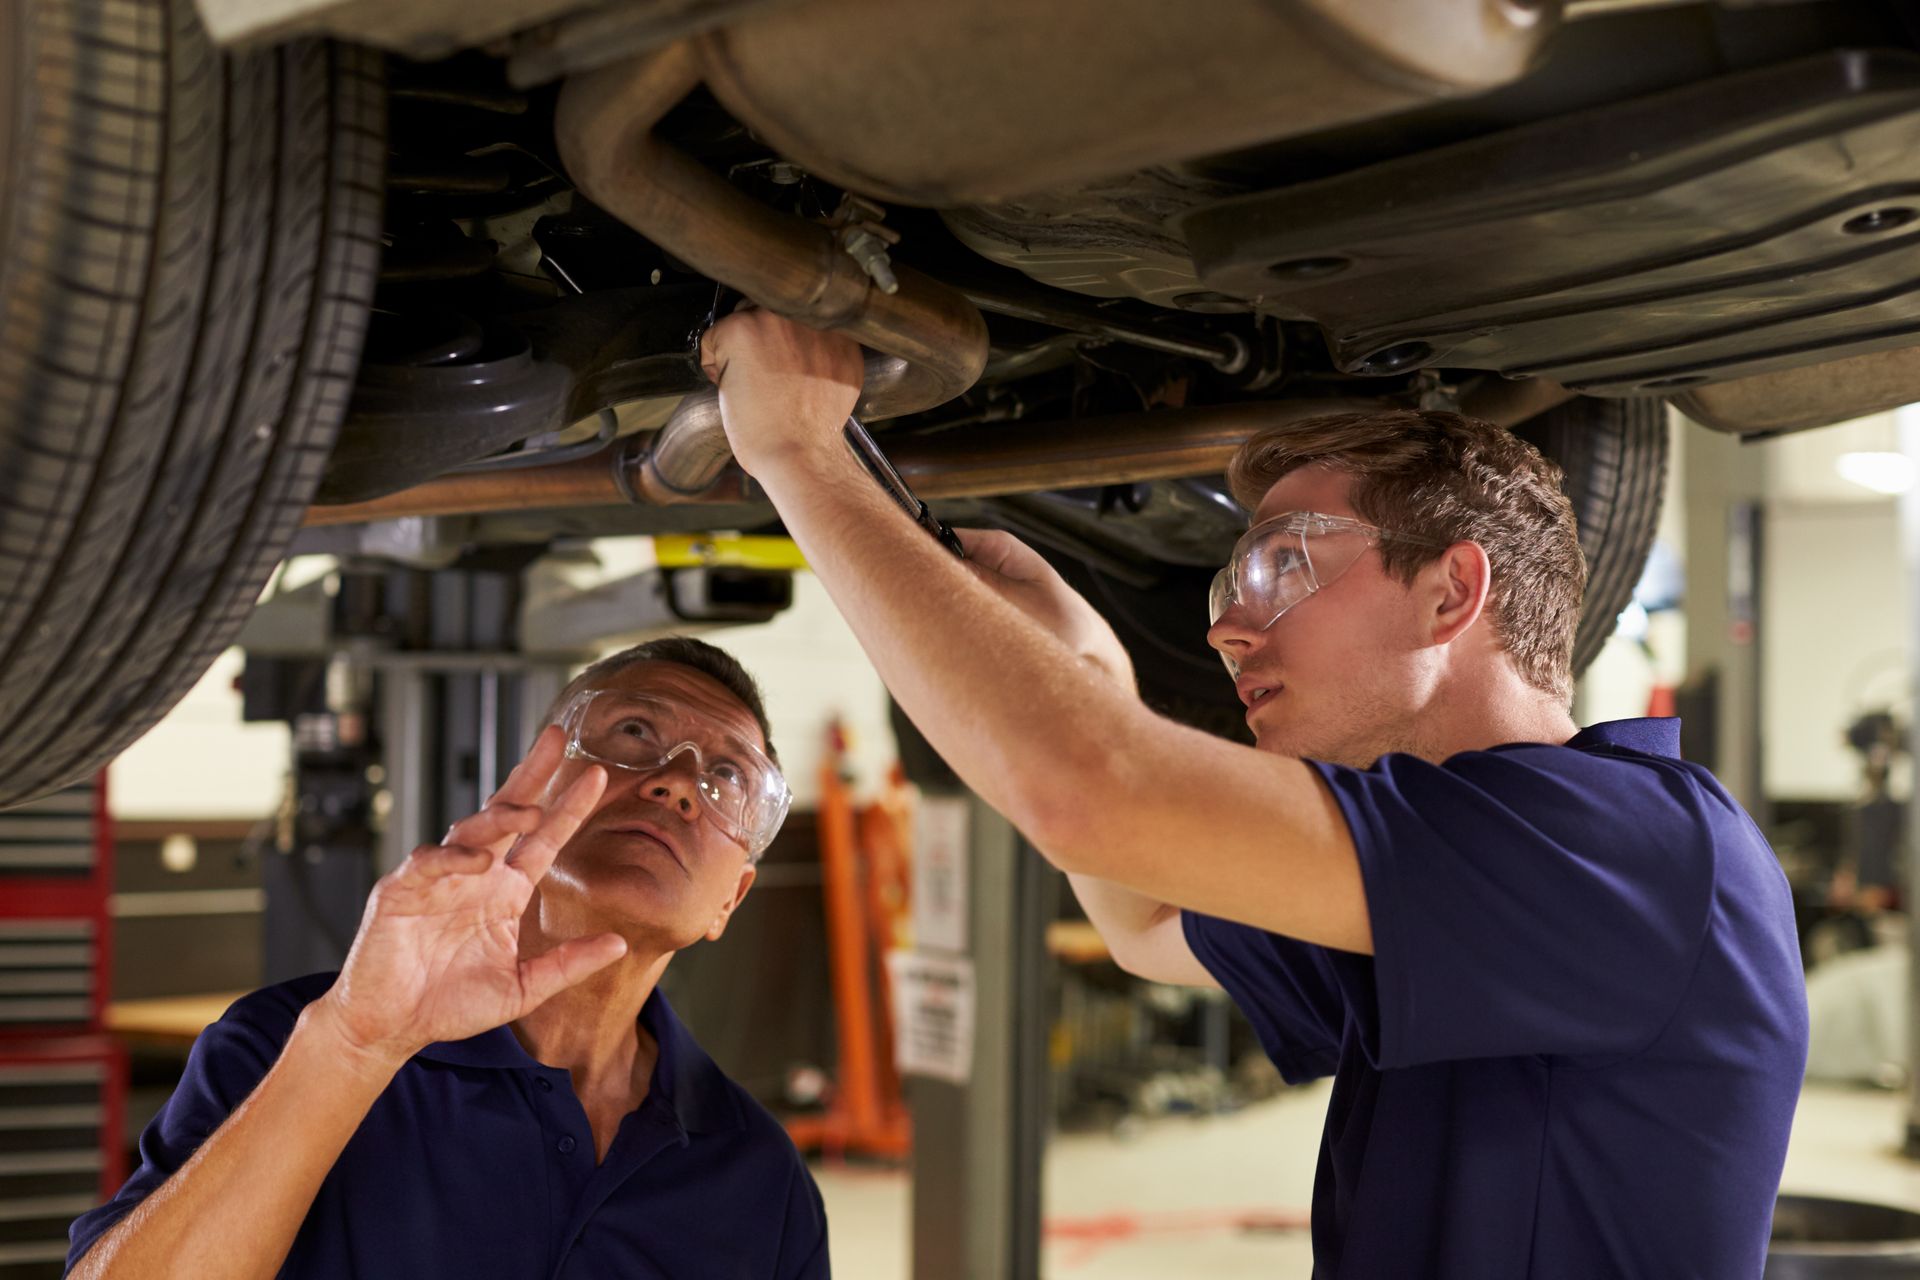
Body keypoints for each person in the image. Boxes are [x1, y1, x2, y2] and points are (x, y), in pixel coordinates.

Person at [698, 310, 1809, 1279]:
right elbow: (1148, 920)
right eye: (1232, 581)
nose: (1227, 626)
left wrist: (802, 453)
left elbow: (1094, 798)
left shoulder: (1635, 846)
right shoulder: (1461, 876)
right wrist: (1088, 666)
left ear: (1450, 592)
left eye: (1281, 565)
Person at [67, 638, 828, 1280]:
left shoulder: (761, 1178)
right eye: (634, 731)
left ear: (731, 900)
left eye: (728, 775)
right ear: (531, 787)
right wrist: (356, 1043)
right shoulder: (288, 1046)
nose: (679, 782)